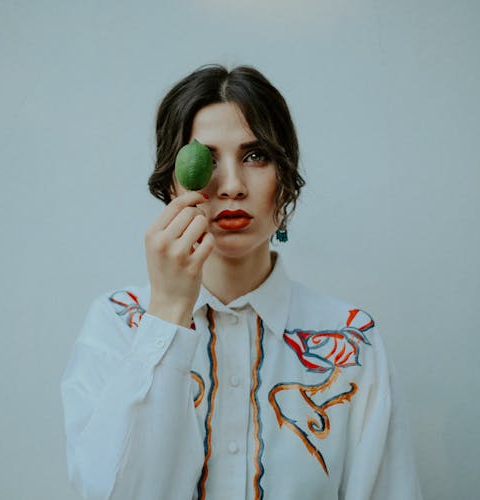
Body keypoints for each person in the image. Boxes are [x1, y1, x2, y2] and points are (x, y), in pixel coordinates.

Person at [61, 65, 423, 500]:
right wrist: (169, 313)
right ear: (171, 182)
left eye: (255, 157)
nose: (231, 186)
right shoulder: (117, 325)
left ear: (284, 180)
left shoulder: (353, 341)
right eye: (207, 159)